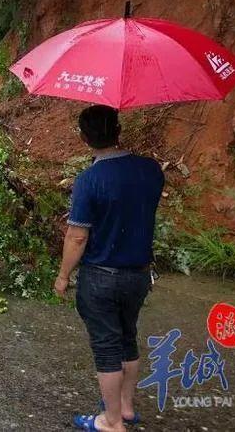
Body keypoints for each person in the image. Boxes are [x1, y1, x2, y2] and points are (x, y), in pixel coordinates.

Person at [53, 105, 164, 432]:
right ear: (118, 129)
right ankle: (126, 408)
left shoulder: (89, 180)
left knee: (106, 347)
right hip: (139, 275)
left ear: (85, 137)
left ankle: (111, 421)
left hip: (101, 277)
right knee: (128, 338)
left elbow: (77, 236)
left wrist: (62, 276)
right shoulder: (151, 170)